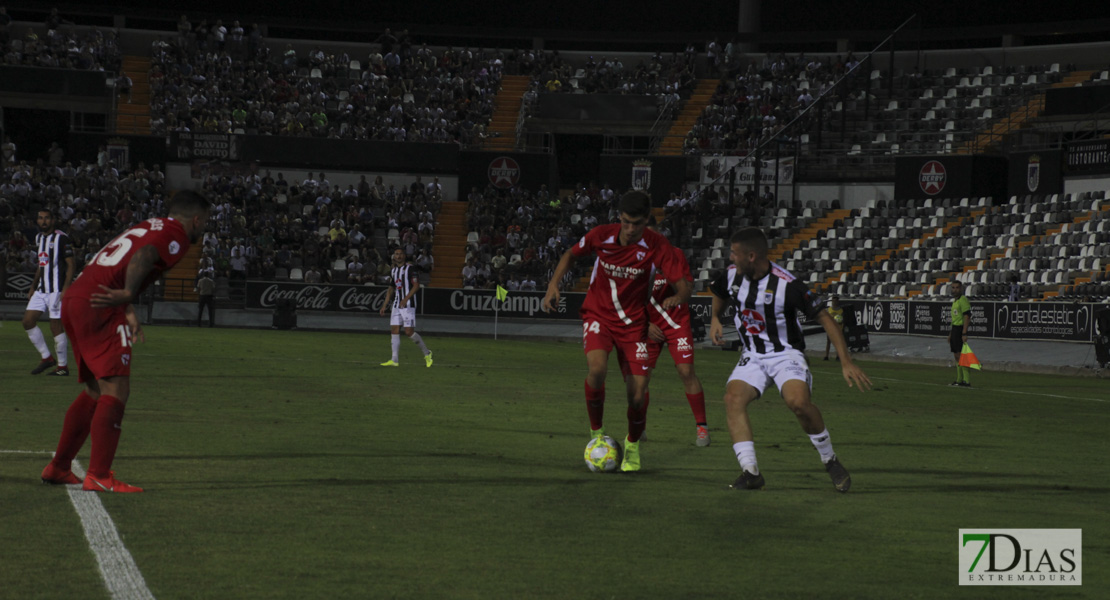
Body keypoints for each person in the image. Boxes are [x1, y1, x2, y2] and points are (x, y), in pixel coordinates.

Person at [41, 190, 211, 493]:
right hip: (100, 304)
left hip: (79, 298)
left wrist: (127, 307)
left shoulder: (151, 224)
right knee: (116, 388)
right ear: (196, 220)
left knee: (95, 390)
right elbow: (143, 256)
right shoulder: (177, 235)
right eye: (205, 222)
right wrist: (128, 295)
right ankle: (99, 475)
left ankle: (59, 467)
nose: (204, 228)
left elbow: (114, 264)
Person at [709, 227, 871, 492]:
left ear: (751, 256)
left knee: (798, 403)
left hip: (786, 354)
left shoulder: (787, 284)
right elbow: (719, 291)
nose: (730, 258)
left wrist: (846, 361)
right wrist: (716, 318)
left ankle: (829, 459)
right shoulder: (731, 276)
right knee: (732, 399)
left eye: (734, 254)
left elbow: (825, 318)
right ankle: (751, 472)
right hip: (752, 354)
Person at [542, 191, 691, 472]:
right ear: (618, 218)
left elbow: (682, 284)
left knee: (637, 394)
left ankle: (632, 445)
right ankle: (596, 433)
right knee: (596, 370)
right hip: (599, 314)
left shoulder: (657, 245)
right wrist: (554, 284)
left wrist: (678, 297)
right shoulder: (602, 235)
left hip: (634, 324)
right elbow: (570, 254)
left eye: (636, 223)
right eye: (625, 222)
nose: (630, 229)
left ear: (646, 220)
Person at [615, 219, 710, 446]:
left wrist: (678, 296)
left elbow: (688, 285)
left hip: (676, 322)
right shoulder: (630, 259)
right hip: (647, 325)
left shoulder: (673, 254)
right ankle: (640, 427)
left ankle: (702, 428)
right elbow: (626, 298)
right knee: (640, 380)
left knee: (686, 372)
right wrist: (646, 324)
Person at [23, 208, 75, 376]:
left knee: (55, 326)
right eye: (40, 218)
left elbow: (71, 264)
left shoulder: (61, 238)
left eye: (46, 218)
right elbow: (42, 264)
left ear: (53, 220)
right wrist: (33, 286)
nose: (43, 221)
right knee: (28, 322)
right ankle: (47, 358)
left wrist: (66, 287)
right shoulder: (39, 238)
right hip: (41, 289)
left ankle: (62, 367)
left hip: (56, 290)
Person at [379, 248, 433, 367]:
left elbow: (416, 285)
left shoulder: (410, 268)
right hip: (397, 304)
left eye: (401, 254)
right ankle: (394, 359)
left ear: (404, 256)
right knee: (394, 330)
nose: (398, 256)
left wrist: (406, 298)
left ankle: (427, 353)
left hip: (408, 304)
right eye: (396, 254)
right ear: (394, 256)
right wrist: (385, 305)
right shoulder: (393, 270)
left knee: (409, 332)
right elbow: (391, 288)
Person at [948, 280, 972, 387]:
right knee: (956, 356)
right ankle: (959, 379)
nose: (955, 290)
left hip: (960, 329)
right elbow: (954, 319)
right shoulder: (955, 301)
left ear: (961, 288)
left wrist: (964, 333)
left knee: (962, 355)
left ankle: (966, 380)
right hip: (954, 329)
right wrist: (950, 333)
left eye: (957, 287)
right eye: (953, 288)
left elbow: (967, 316)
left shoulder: (963, 300)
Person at [823, 295, 844, 361]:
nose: (834, 302)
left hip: (838, 328)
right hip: (830, 328)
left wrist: (840, 322)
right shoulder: (829, 309)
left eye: (835, 300)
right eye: (833, 300)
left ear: (838, 301)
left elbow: (843, 319)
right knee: (828, 341)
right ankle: (826, 356)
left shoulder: (841, 310)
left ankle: (838, 356)